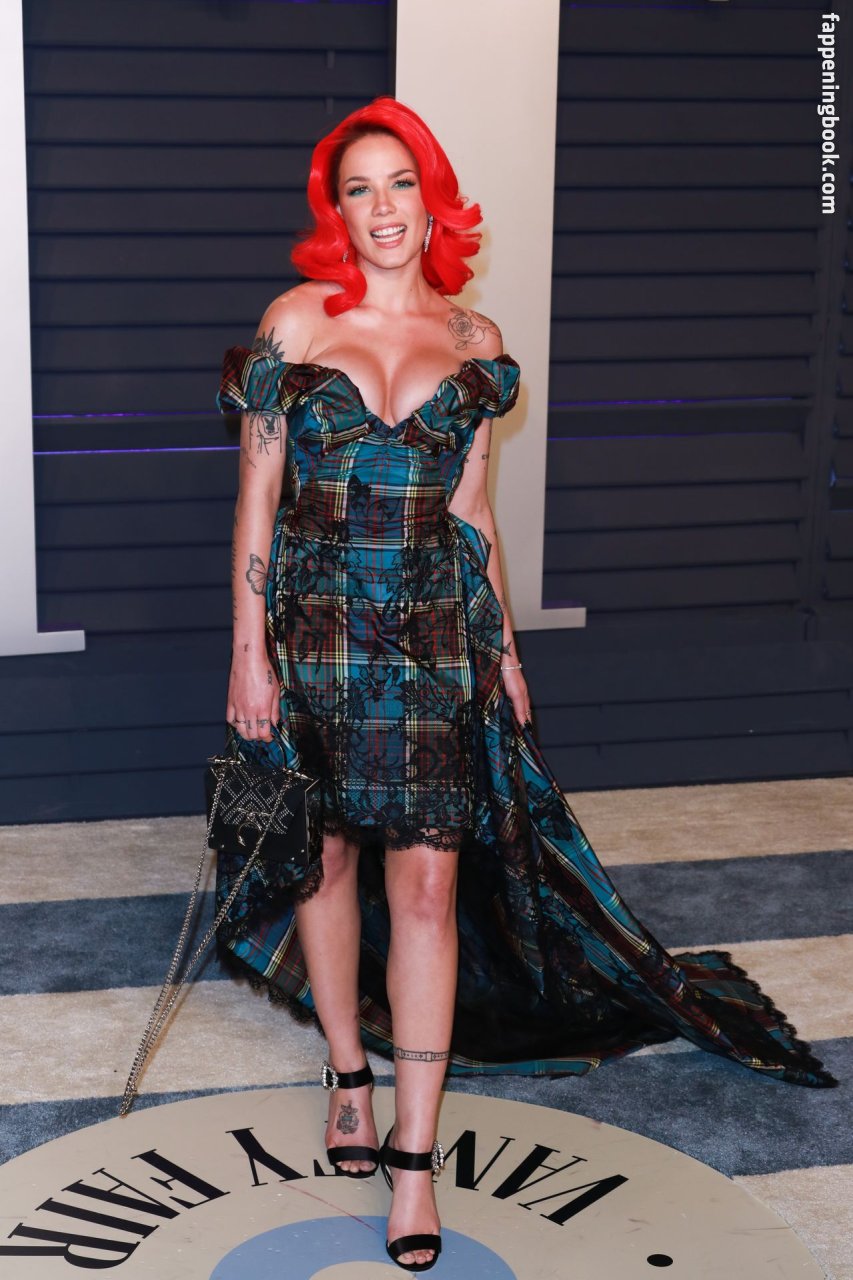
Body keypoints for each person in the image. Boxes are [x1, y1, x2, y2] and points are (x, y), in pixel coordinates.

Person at [215, 97, 837, 1272]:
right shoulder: (293, 323)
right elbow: (256, 502)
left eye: (401, 181)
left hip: (436, 639)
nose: (382, 207)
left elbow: (472, 512)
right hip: (313, 634)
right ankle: (347, 1072)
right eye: (358, 188)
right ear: (335, 210)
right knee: (322, 859)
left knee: (429, 886)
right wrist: (249, 651)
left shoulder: (476, 339)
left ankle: (412, 1157)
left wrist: (505, 654)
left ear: (432, 197)